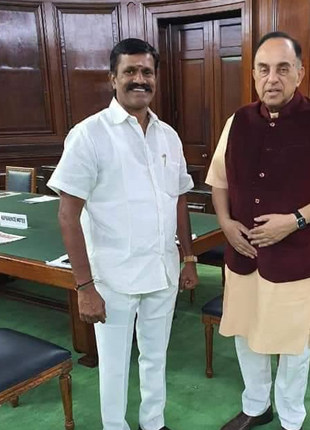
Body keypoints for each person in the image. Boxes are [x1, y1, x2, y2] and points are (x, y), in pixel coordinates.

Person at [206, 31, 310, 430]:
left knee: (293, 344)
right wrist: (225, 222)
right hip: (243, 255)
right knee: (245, 332)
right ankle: (257, 406)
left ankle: (291, 419)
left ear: (299, 73)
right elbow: (218, 181)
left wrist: (295, 220)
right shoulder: (237, 121)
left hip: (296, 257)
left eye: (282, 69)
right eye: (263, 69)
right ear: (254, 75)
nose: (272, 78)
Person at [48, 38, 198, 430]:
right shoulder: (89, 135)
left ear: (155, 79)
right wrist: (85, 286)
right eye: (129, 71)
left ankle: (153, 422)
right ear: (112, 78)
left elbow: (179, 199)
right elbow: (67, 215)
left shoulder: (169, 136)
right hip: (112, 278)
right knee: (114, 365)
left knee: (155, 357)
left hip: (162, 271)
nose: (139, 79)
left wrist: (188, 258)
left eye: (146, 72)